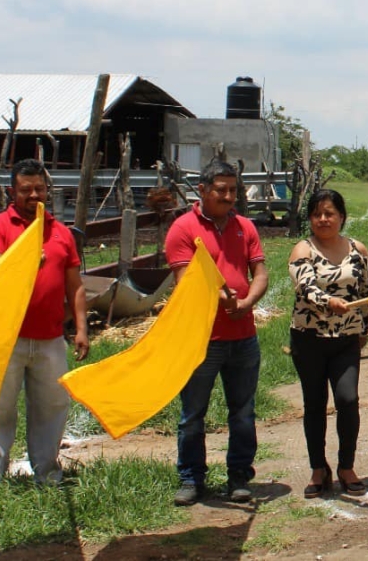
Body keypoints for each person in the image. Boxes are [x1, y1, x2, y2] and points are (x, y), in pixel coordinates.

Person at [0, 159, 89, 485]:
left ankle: (48, 473)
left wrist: (81, 329)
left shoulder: (61, 233)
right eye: (26, 190)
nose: (33, 195)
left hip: (51, 338)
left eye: (39, 188)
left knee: (52, 407)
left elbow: (75, 286)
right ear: (12, 191)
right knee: (0, 411)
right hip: (6, 339)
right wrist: (22, 260)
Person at [165, 159, 268, 506]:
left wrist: (247, 302)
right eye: (220, 190)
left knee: (243, 411)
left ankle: (239, 477)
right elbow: (186, 282)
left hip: (243, 337)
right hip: (202, 339)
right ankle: (191, 479)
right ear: (203, 190)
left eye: (233, 190)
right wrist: (224, 299)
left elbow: (260, 273)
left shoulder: (245, 227)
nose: (227, 196)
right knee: (193, 414)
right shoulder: (182, 229)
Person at [289, 189, 368, 498]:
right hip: (309, 340)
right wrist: (330, 302)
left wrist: (366, 326)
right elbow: (305, 289)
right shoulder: (303, 249)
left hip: (346, 341)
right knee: (314, 404)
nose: (323, 219)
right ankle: (318, 469)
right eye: (317, 214)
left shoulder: (358, 249)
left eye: (330, 213)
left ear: (341, 217)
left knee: (348, 400)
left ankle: (346, 466)